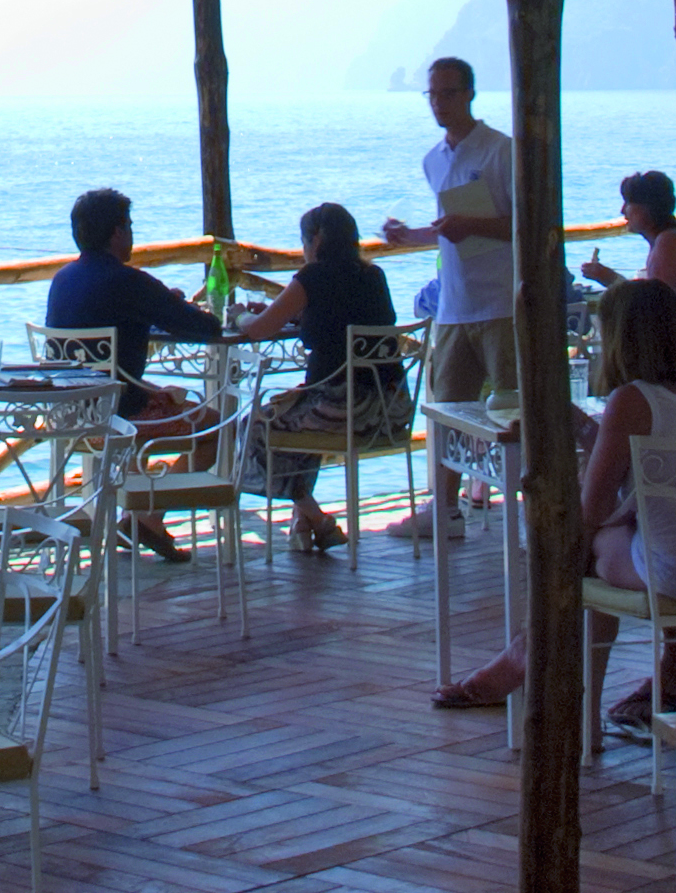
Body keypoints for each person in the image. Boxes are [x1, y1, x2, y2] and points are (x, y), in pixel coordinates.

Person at [430, 279, 676, 727]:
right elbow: (651, 455)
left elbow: (590, 513)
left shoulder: (632, 401)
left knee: (589, 547)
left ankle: (557, 692)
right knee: (647, 532)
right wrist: (583, 428)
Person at [45, 186, 225, 560]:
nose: (131, 233)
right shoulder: (129, 281)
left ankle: (142, 518)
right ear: (116, 232)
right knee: (221, 428)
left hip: (68, 414)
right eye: (129, 226)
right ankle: (147, 517)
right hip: (120, 418)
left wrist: (158, 304)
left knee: (166, 400)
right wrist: (169, 304)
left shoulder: (62, 279)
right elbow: (204, 328)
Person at [380, 56, 513, 542]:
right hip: (455, 306)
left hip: (502, 303)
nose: (439, 103)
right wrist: (411, 237)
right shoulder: (434, 160)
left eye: (448, 93)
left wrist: (473, 225)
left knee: (514, 411)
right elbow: (447, 231)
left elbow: (528, 222)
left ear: (470, 94)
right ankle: (445, 509)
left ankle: (534, 506)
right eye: (432, 94)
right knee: (447, 412)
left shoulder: (501, 152)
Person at [232, 203, 405, 555]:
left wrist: (239, 318)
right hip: (390, 406)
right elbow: (341, 320)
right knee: (297, 411)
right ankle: (305, 524)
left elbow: (260, 329)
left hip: (344, 407)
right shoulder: (374, 276)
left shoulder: (312, 278)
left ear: (316, 239)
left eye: (303, 241)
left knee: (255, 425)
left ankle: (317, 517)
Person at [580, 170, 676, 342]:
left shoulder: (669, 243)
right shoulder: (664, 240)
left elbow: (659, 307)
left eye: (628, 203)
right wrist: (608, 278)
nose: (623, 211)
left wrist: (610, 278)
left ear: (648, 209)